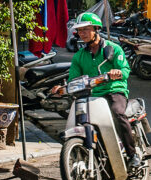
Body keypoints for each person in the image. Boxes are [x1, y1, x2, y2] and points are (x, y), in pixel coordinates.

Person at [52, 11, 140, 169]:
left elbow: (125, 70)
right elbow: (74, 79)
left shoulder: (113, 49)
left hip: (114, 90)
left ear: (96, 29)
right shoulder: (79, 56)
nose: (82, 33)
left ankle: (132, 154)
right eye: (79, 30)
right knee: (82, 118)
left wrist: (117, 72)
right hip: (91, 95)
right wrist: (62, 88)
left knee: (117, 113)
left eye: (86, 29)